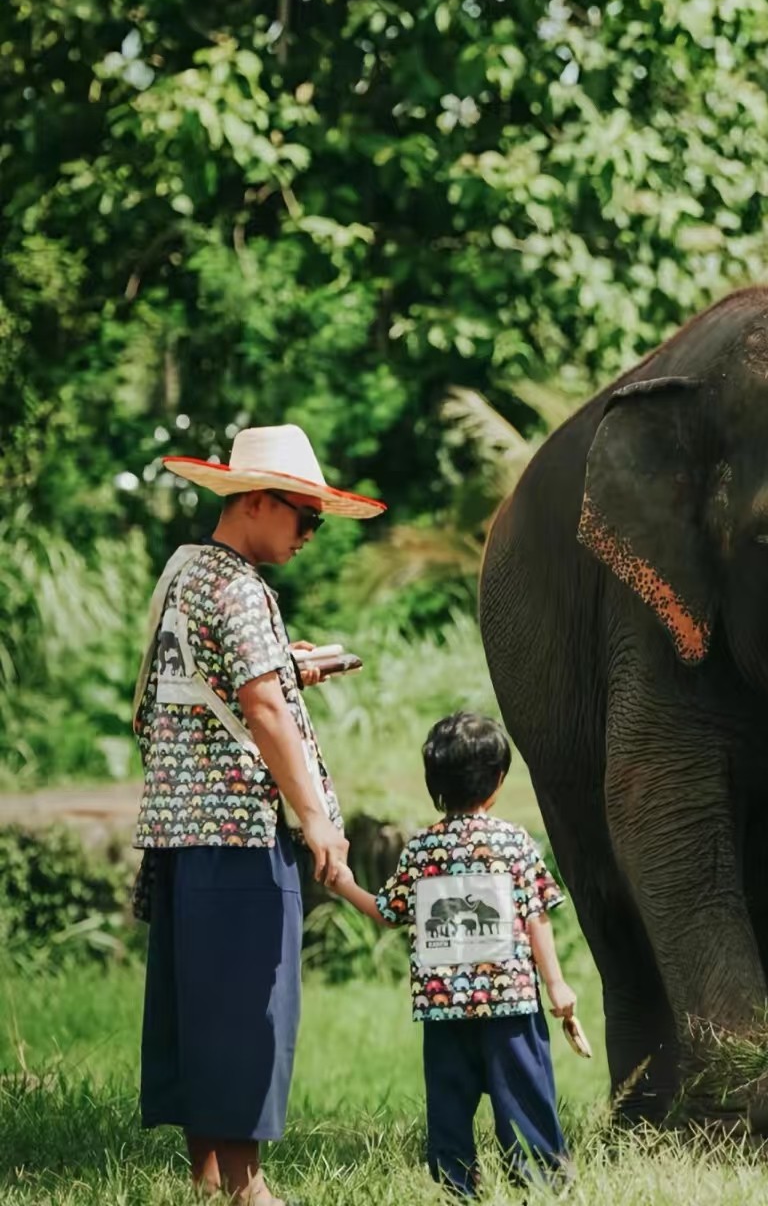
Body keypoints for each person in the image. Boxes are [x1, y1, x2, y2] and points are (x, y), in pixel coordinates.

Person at [130, 423, 386, 1205]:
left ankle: (208, 1175)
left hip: (181, 829)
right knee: (251, 1008)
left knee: (200, 1006)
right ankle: (250, 1187)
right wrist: (317, 821)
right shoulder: (240, 587)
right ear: (258, 504)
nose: (311, 533)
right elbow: (264, 708)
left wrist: (292, 660)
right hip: (241, 829)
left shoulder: (187, 574)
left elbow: (217, 680)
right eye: (304, 516)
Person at [330, 711, 575, 1196]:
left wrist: (343, 883)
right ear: (499, 780)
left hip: (443, 1009)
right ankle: (542, 1187)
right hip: (510, 1006)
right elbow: (536, 916)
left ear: (434, 784)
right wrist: (558, 987)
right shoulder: (514, 843)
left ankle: (455, 1186)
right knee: (526, 1102)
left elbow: (388, 911)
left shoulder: (422, 848)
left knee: (448, 1106)